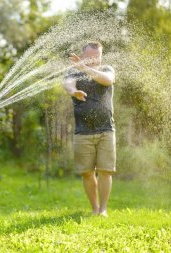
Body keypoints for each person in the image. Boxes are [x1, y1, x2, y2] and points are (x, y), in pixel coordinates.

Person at [63, 41, 116, 217]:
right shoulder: (73, 71)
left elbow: (107, 80)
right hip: (82, 132)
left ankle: (103, 209)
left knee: (105, 171)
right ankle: (94, 208)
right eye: (89, 57)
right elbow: (68, 84)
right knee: (87, 173)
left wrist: (85, 68)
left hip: (106, 130)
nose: (93, 60)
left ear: (101, 57)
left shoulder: (107, 69)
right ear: (83, 55)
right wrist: (73, 92)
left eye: (97, 57)